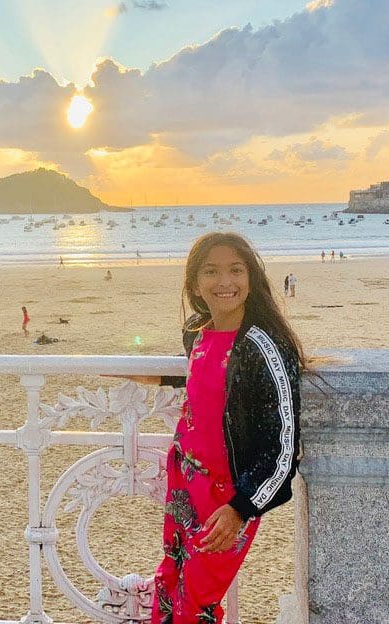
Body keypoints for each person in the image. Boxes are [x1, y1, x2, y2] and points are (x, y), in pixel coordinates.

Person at [151, 232, 302, 624]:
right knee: (169, 584)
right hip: (184, 486)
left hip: (229, 500)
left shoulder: (264, 346)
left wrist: (241, 509)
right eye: (211, 272)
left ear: (251, 278)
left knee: (196, 602)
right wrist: (126, 371)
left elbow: (283, 446)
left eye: (236, 270)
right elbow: (202, 377)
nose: (225, 282)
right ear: (195, 284)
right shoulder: (198, 332)